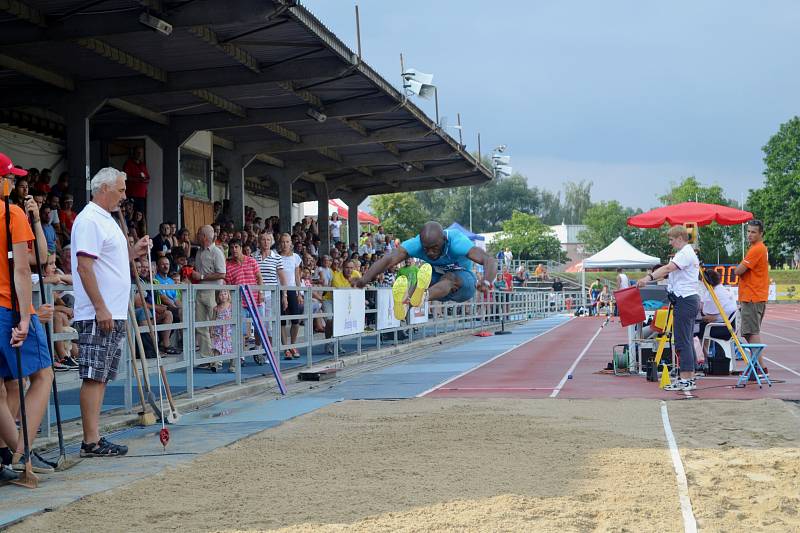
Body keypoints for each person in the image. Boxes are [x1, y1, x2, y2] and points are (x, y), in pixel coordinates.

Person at [72, 167, 150, 457]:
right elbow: (84, 266)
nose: (124, 195)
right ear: (103, 189)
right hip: (99, 312)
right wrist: (100, 306)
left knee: (102, 375)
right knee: (94, 374)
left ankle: (94, 437)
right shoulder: (90, 219)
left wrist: (136, 252)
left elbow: (112, 260)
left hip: (113, 310)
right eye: (120, 190)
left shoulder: (105, 220)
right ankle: (90, 441)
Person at [0, 155, 55, 479]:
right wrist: (24, 317)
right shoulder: (11, 212)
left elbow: (39, 257)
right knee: (43, 376)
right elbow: (23, 267)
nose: (13, 184)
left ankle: (13, 455)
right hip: (8, 306)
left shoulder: (18, 213)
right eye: (10, 178)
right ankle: (22, 456)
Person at [355, 222, 497, 319]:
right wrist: (365, 278)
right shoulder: (416, 243)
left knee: (449, 277)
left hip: (463, 284)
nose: (430, 253)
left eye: (435, 248)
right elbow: (389, 259)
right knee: (424, 273)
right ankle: (406, 304)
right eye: (426, 249)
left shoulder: (456, 241)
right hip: (437, 285)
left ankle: (421, 297)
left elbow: (488, 259)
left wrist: (486, 280)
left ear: (444, 241)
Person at [637, 225, 700, 391]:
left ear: (680, 238)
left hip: (685, 300)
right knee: (686, 340)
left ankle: (686, 378)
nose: (670, 243)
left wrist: (647, 278)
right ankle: (689, 377)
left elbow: (667, 269)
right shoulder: (686, 253)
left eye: (671, 240)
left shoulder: (685, 253)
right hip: (686, 300)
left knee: (682, 341)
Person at [734, 219, 770, 373]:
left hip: (752, 296)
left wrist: (739, 267)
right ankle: (758, 366)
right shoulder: (759, 248)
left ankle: (760, 367)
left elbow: (739, 270)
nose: (749, 234)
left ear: (761, 234)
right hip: (754, 295)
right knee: (749, 333)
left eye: (753, 232)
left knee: (752, 332)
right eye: (748, 231)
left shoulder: (757, 249)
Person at [192, 225, 226, 369]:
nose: (197, 235)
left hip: (212, 291)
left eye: (199, 233)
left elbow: (222, 273)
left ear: (205, 236)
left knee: (215, 326)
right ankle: (206, 357)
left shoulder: (217, 252)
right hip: (200, 291)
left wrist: (201, 276)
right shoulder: (198, 252)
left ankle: (218, 359)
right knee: (201, 326)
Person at [697, 269, 737, 357]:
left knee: (697, 328)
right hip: (729, 326)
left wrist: (695, 319)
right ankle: (706, 356)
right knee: (702, 325)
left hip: (723, 328)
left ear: (707, 281)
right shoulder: (721, 290)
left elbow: (711, 317)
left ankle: (705, 357)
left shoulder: (715, 294)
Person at [277, 233, 302, 360]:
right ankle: (285, 347)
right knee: (281, 321)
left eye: (287, 242)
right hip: (279, 289)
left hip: (292, 289)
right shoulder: (276, 257)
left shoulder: (296, 257)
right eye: (282, 242)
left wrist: (299, 293)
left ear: (291, 243)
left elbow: (297, 277)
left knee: (296, 320)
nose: (285, 244)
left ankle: (293, 345)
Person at [210, 290, 234, 372]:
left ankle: (233, 365)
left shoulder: (231, 306)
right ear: (218, 297)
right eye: (221, 294)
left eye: (225, 294)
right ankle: (216, 364)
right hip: (218, 331)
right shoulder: (216, 308)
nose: (223, 296)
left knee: (231, 347)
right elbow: (213, 319)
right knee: (217, 347)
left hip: (229, 331)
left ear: (228, 295)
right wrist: (211, 329)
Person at [123, 146, 150, 215]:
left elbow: (148, 178)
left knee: (141, 214)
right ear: (134, 153)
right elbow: (125, 177)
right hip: (131, 194)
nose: (139, 154)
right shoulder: (128, 163)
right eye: (138, 152)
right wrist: (139, 179)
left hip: (142, 195)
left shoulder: (142, 165)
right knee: (131, 214)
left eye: (141, 153)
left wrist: (143, 180)